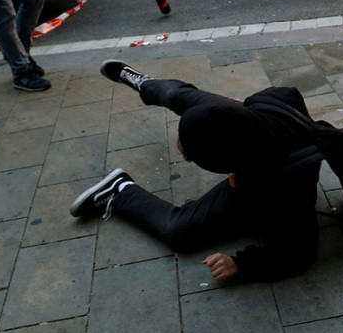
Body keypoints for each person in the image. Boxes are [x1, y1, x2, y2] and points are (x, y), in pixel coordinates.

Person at [70, 60, 321, 282]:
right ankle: (144, 84)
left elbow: (299, 255)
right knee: (176, 95)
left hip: (267, 181)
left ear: (227, 168)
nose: (179, 148)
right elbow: (288, 95)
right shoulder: (231, 113)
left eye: (189, 156)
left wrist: (242, 265)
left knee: (177, 231)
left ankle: (121, 190)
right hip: (247, 129)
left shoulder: (285, 190)